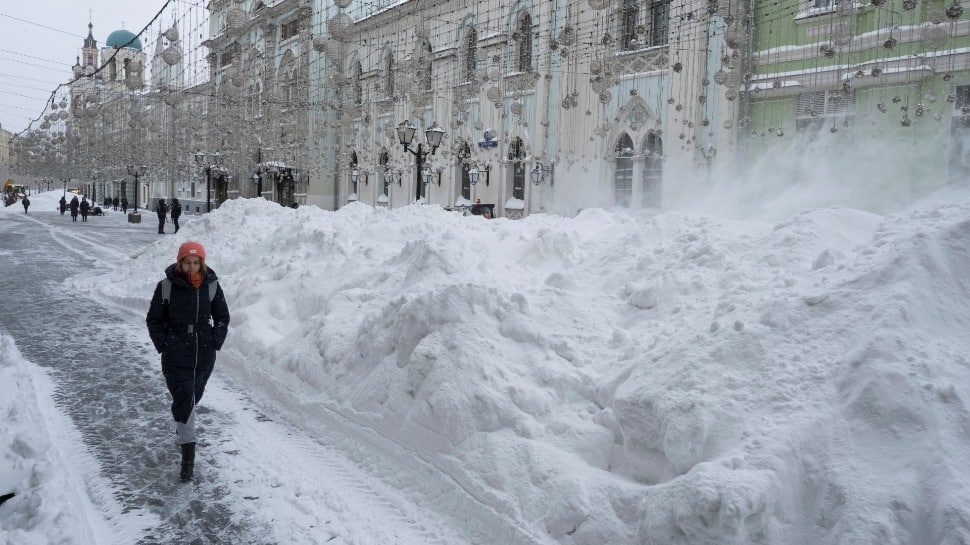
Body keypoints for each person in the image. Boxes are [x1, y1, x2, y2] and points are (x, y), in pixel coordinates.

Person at [146, 241, 230, 482]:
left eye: (196, 262)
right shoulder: (166, 286)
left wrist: (215, 340)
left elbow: (222, 316)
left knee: (192, 398)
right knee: (185, 398)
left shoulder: (212, 286)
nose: (192, 267)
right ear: (180, 262)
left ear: (202, 263)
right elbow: (154, 319)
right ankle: (188, 460)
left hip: (203, 353)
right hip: (176, 353)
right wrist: (164, 344)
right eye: (187, 262)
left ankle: (182, 426)